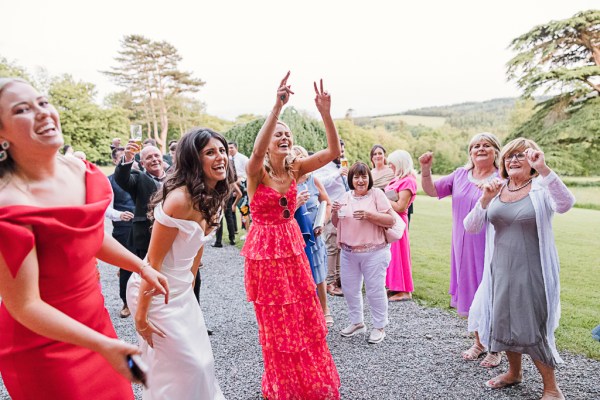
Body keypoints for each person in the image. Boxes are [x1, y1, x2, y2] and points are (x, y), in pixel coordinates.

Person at [0, 78, 169, 400]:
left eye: (43, 102)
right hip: (43, 347)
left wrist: (141, 266)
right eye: (22, 110)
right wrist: (103, 345)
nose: (42, 114)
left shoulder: (80, 170)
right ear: (2, 134)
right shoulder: (8, 205)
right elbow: (24, 305)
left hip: (95, 322)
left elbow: (89, 238)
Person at [241, 72, 340, 399]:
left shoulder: (296, 169)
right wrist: (277, 108)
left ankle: (307, 382)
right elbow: (255, 153)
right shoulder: (256, 173)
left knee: (302, 316)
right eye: (278, 134)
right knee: (277, 323)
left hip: (292, 247)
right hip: (265, 253)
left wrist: (325, 114)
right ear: (267, 142)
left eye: (287, 134)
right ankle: (284, 385)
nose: (284, 137)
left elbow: (332, 152)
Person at [464, 138, 575, 399]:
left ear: (532, 161)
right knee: (502, 322)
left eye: (520, 156)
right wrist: (484, 199)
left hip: (532, 270)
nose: (513, 160)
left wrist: (545, 169)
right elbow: (472, 226)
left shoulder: (540, 188)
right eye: (509, 156)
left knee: (533, 325)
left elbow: (566, 204)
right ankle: (514, 373)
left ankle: (551, 388)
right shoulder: (497, 189)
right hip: (500, 270)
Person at [127, 128, 232, 399]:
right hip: (154, 289)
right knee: (189, 367)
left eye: (221, 150)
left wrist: (190, 290)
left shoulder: (215, 196)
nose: (220, 157)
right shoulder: (179, 200)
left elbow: (196, 252)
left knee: (203, 363)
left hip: (182, 290)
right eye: (210, 152)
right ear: (193, 160)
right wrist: (140, 317)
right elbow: (152, 262)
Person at [419, 132, 503, 368]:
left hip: (490, 246)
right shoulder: (460, 175)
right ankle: (479, 342)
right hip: (462, 247)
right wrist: (425, 169)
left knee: (492, 294)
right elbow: (432, 191)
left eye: (486, 145)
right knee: (471, 291)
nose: (480, 149)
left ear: (496, 151)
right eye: (475, 146)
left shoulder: (502, 178)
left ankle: (495, 348)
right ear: (470, 152)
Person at [332, 162, 395, 344]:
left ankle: (379, 326)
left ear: (369, 178)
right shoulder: (345, 196)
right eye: (356, 177)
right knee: (351, 290)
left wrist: (369, 215)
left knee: (375, 290)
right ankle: (357, 322)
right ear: (351, 179)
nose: (360, 180)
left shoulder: (377, 194)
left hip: (374, 251)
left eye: (364, 176)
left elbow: (390, 220)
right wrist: (335, 213)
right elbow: (337, 223)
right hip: (349, 252)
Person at [293, 145, 333, 327]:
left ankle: (325, 311)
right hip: (294, 233)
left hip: (313, 232)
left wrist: (322, 222)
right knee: (299, 275)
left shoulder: (313, 180)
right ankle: (305, 312)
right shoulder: (288, 182)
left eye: (301, 158)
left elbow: (327, 203)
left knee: (318, 273)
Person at [115, 142, 167, 260]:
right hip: (146, 236)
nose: (154, 159)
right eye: (149, 157)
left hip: (173, 233)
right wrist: (128, 158)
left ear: (162, 158)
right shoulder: (138, 178)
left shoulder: (175, 177)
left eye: (156, 156)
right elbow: (122, 178)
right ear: (142, 164)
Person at [314, 138, 349, 297]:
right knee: (332, 247)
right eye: (338, 150)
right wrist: (337, 174)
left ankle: (341, 280)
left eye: (342, 151)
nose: (340, 153)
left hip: (345, 212)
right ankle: (330, 282)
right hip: (331, 211)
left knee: (342, 246)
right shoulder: (324, 166)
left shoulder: (342, 165)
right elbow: (320, 183)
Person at [105, 146, 136, 318]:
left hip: (143, 224)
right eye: (122, 158)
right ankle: (126, 302)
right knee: (127, 265)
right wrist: (120, 215)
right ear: (115, 161)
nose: (127, 160)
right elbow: (105, 209)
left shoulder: (140, 175)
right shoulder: (108, 181)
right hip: (123, 227)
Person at [384, 150, 417, 302]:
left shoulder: (408, 181)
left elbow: (401, 207)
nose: (389, 165)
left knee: (399, 254)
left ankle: (404, 290)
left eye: (392, 163)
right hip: (390, 220)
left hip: (398, 221)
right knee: (392, 255)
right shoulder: (398, 178)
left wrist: (382, 198)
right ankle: (394, 286)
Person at [228, 141, 249, 236]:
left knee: (244, 210)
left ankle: (248, 232)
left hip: (243, 186)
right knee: (234, 210)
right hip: (232, 186)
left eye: (232, 147)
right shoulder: (228, 159)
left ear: (236, 148)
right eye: (228, 148)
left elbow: (249, 172)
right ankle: (238, 230)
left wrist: (241, 179)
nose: (230, 149)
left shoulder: (243, 158)